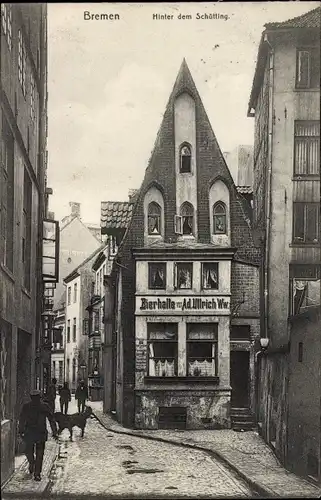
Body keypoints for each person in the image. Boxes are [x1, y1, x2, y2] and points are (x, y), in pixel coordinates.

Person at [19, 389, 58, 482]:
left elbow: (51, 419)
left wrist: (54, 431)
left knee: (38, 454)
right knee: (30, 452)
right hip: (32, 433)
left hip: (38, 433)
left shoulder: (43, 406)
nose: (35, 400)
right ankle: (32, 464)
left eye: (36, 398)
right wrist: (21, 430)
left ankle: (37, 473)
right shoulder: (27, 407)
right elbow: (22, 419)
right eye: (34, 398)